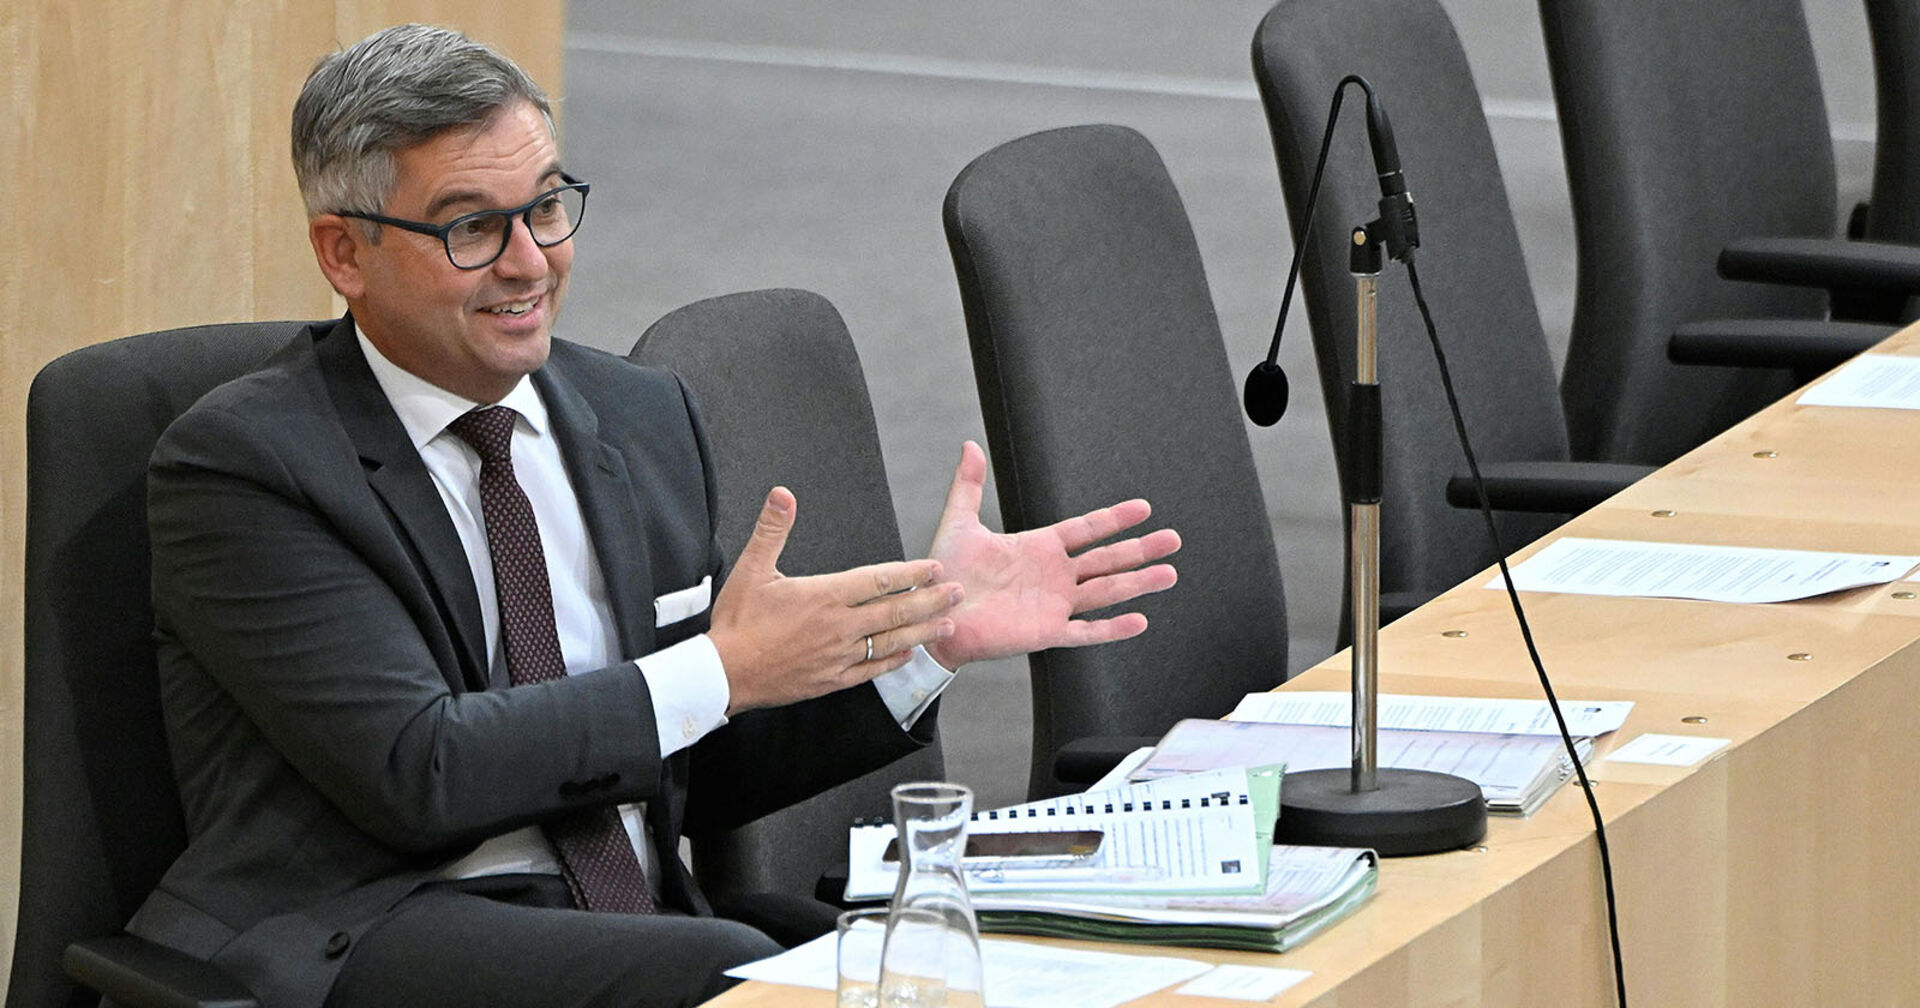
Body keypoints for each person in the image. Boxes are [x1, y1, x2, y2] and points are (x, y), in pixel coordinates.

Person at [126, 22, 1181, 1008]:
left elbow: (690, 756)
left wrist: (919, 644)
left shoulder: (636, 413)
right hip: (373, 924)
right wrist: (723, 668)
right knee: (731, 969)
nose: (531, 262)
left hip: (632, 919)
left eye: (545, 206)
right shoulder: (248, 464)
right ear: (344, 254)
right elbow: (421, 771)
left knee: (929, 953)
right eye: (470, 229)